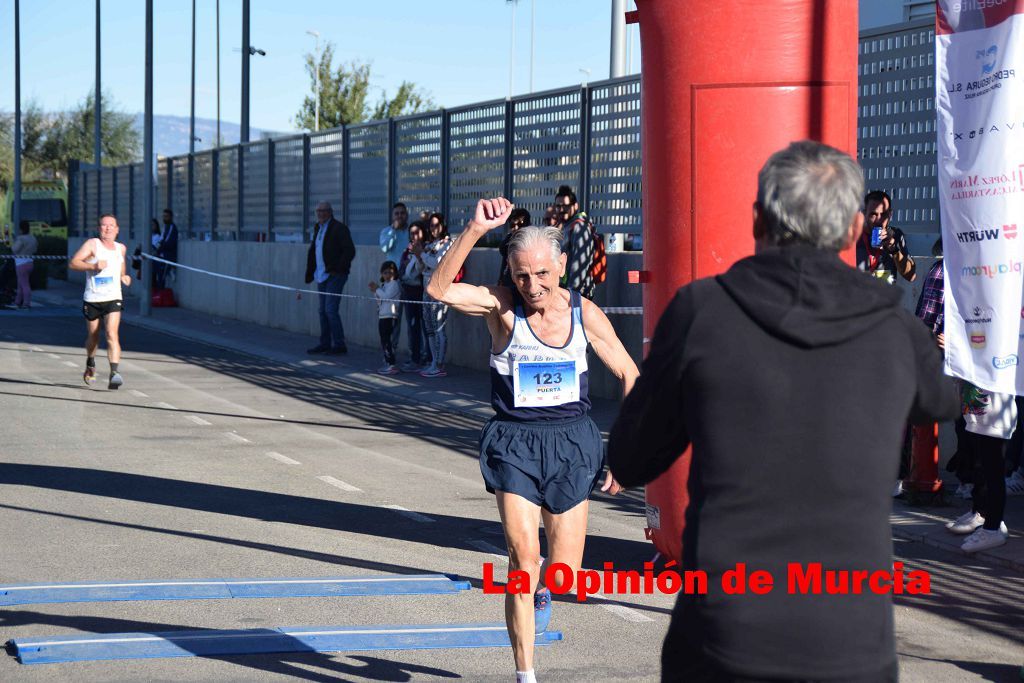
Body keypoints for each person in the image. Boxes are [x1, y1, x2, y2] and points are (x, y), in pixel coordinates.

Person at [606, 141, 959, 682]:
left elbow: (630, 458)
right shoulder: (896, 329)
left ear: (757, 220)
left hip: (724, 632)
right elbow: (943, 400)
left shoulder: (703, 313)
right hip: (853, 641)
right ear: (854, 229)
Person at [427, 198, 639, 683]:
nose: (533, 286)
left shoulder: (585, 314)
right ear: (510, 272)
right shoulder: (501, 307)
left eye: (543, 274)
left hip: (573, 444)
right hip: (515, 443)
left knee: (562, 573)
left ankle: (543, 586)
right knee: (523, 561)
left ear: (562, 266)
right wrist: (475, 229)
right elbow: (440, 289)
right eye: (521, 275)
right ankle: (526, 675)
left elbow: (630, 373)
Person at [69, 213, 133, 390]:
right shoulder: (92, 245)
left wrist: (124, 277)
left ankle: (114, 373)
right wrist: (93, 266)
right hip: (93, 298)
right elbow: (73, 263)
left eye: (111, 225)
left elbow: (121, 268)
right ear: (99, 229)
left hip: (113, 297)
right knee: (94, 336)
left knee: (112, 334)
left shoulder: (121, 248)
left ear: (117, 229)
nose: (108, 228)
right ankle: (90, 362)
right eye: (104, 225)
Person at [305, 201, 356, 355]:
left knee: (330, 310)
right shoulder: (318, 228)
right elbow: (315, 250)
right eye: (318, 211)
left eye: (323, 211)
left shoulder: (339, 228)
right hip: (321, 275)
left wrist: (338, 268)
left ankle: (339, 344)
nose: (320, 214)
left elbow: (349, 251)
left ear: (330, 212)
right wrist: (310, 271)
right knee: (322, 311)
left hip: (335, 275)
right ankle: (325, 343)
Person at [417, 213, 453, 378]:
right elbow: (422, 268)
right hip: (425, 288)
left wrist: (422, 255)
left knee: (439, 327)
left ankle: (439, 364)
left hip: (439, 289)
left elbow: (437, 263)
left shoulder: (447, 243)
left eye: (436, 225)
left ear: (443, 225)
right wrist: (419, 256)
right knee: (429, 327)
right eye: (431, 225)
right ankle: (433, 362)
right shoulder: (430, 244)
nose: (433, 229)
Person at [858, 190, 915, 284]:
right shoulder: (854, 236)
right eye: (873, 214)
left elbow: (910, 276)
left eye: (883, 214)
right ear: (864, 214)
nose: (879, 219)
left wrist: (894, 250)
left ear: (890, 214)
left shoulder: (895, 235)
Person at [553, 185, 596, 299]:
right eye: (558, 206)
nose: (561, 210)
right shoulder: (565, 226)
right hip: (566, 290)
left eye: (566, 206)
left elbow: (580, 263)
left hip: (578, 294)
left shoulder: (579, 227)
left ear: (575, 206)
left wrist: (571, 294)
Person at [399, 221, 430, 372]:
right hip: (408, 292)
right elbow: (402, 270)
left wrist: (418, 256)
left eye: (417, 232)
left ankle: (428, 358)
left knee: (426, 327)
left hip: (421, 292)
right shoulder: (407, 251)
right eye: (411, 233)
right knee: (412, 326)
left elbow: (421, 270)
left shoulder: (427, 249)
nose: (414, 236)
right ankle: (415, 358)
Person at [380, 202, 410, 353]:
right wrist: (393, 231)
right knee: (393, 320)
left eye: (402, 213)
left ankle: (415, 356)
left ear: (407, 215)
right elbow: (385, 247)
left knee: (412, 321)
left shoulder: (412, 232)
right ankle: (390, 353)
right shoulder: (386, 231)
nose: (399, 216)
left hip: (410, 281)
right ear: (392, 216)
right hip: (392, 283)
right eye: (396, 214)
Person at [370, 260, 401, 375]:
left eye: (390, 273)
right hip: (383, 315)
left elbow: (387, 297)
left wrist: (377, 289)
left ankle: (391, 363)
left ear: (394, 273)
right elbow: (380, 300)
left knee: (387, 340)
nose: (387, 275)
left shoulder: (394, 284)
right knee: (384, 340)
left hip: (390, 316)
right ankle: (388, 361)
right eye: (385, 273)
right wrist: (375, 291)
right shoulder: (384, 285)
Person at [498, 208, 531, 288]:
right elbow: (503, 254)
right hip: (508, 282)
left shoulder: (532, 241)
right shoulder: (508, 240)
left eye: (520, 225)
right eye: (512, 225)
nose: (516, 228)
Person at [12, 220, 37, 309]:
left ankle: (26, 303)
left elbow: (15, 249)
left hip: (21, 263)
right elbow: (35, 250)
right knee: (21, 283)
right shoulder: (33, 238)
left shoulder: (21, 239)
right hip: (30, 262)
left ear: (21, 229)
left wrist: (13, 243)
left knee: (24, 284)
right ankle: (17, 302)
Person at [153, 208, 179, 290]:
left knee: (161, 275)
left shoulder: (172, 227)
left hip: (168, 255)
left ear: (171, 217)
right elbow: (161, 240)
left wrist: (158, 249)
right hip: (161, 254)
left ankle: (161, 292)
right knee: (154, 270)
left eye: (166, 216)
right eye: (163, 216)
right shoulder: (165, 227)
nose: (164, 218)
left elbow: (167, 242)